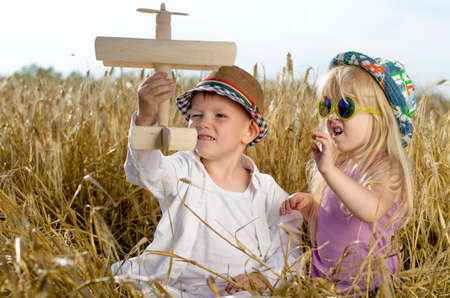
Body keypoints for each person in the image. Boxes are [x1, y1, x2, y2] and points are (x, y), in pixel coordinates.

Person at [112, 65, 301, 297]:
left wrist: (263, 277)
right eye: (196, 115)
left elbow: (289, 248)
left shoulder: (268, 192)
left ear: (249, 132)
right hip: (173, 287)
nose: (203, 123)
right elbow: (144, 171)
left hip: (234, 292)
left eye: (220, 115)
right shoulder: (183, 168)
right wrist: (145, 117)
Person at [279, 51, 416, 295]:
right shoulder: (338, 167)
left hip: (370, 288)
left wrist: (330, 171)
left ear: (381, 119)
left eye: (345, 107)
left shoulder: (386, 168)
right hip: (325, 286)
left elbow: (371, 210)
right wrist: (311, 209)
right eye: (326, 106)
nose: (332, 116)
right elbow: (328, 233)